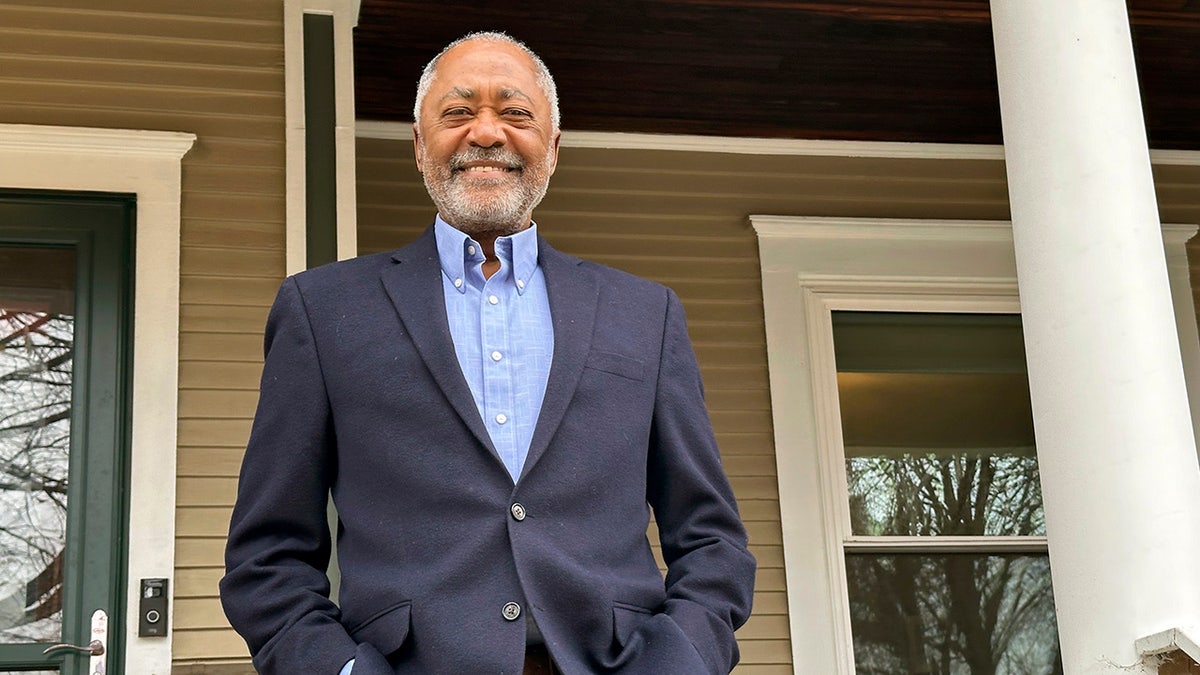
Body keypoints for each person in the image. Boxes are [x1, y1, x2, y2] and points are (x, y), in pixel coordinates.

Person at [220, 31, 756, 675]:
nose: (486, 132)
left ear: (552, 149)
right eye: (456, 111)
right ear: (419, 147)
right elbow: (267, 557)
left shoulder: (647, 314)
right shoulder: (322, 310)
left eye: (515, 112)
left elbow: (712, 539)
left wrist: (679, 661)